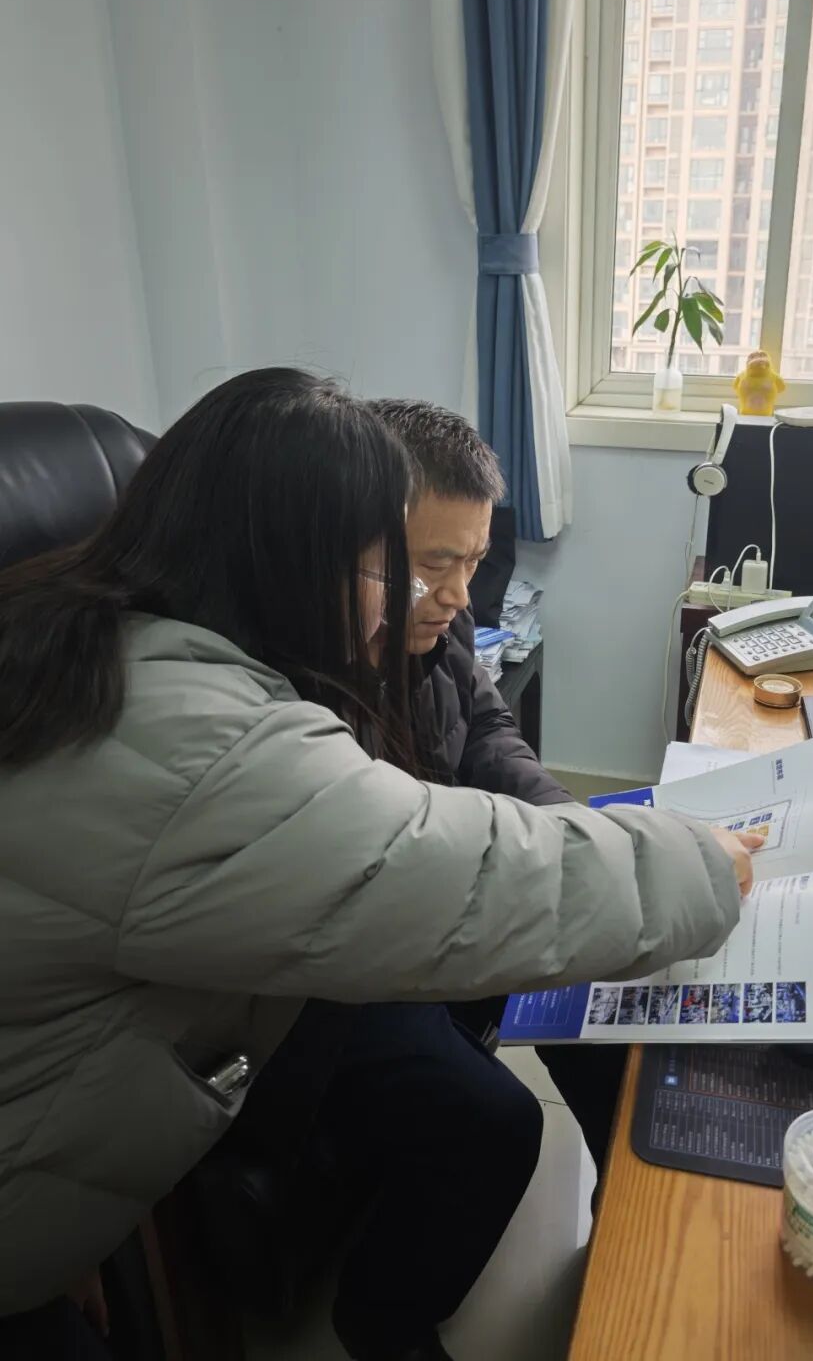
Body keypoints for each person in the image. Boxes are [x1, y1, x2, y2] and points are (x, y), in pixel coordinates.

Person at [0, 369, 757, 1361]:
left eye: (465, 566)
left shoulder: (98, 629)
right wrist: (700, 860)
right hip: (269, 989)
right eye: (393, 568)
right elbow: (457, 874)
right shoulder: (210, 740)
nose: (432, 597)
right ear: (285, 558)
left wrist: (574, 824)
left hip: (225, 975)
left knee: (576, 1020)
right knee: (490, 1108)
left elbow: (485, 747)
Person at [368, 399, 633, 1168]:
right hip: (389, 937)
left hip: (450, 895)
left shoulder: (442, 618)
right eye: (434, 563)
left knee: (604, 994)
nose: (459, 594)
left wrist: (563, 820)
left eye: (474, 560)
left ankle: (626, 1215)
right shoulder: (325, 663)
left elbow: (486, 730)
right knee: (500, 1120)